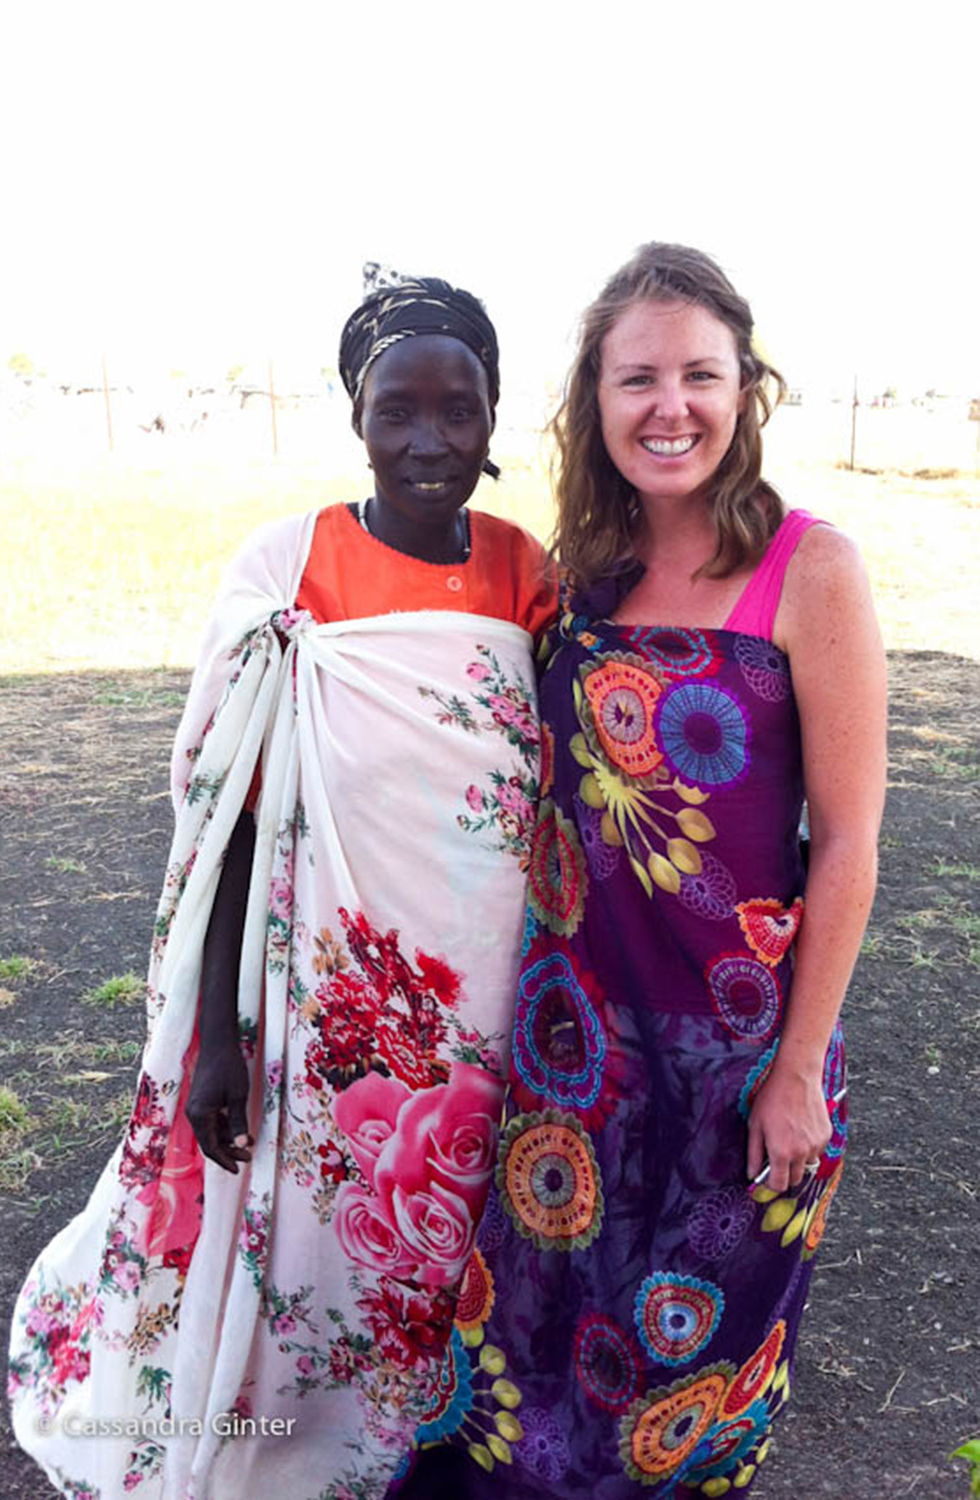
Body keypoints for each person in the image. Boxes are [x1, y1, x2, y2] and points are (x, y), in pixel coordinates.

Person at [7, 271, 556, 1500]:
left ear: (493, 413)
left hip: (480, 978)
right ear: (353, 415)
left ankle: (428, 1430)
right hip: (323, 982)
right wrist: (215, 1039)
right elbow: (232, 823)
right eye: (394, 410)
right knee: (323, 1217)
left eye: (456, 411)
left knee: (451, 1209)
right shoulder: (290, 565)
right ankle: (303, 1437)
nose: (428, 443)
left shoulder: (527, 571)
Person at [392, 244, 886, 1499]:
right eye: (637, 378)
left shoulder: (809, 571)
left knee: (676, 1405)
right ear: (595, 401)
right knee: (521, 1372)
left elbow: (849, 843)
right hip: (573, 1055)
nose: (670, 406)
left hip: (736, 1066)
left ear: (744, 390)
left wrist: (794, 1073)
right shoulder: (582, 575)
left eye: (699, 375)